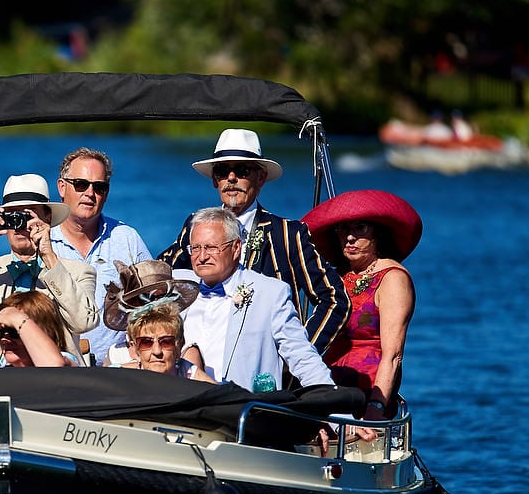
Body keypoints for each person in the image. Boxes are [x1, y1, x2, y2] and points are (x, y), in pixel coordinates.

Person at [157, 128, 348, 357]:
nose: (231, 178)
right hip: (200, 361)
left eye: (242, 170)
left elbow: (335, 299)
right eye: (222, 171)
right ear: (215, 181)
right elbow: (162, 276)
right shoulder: (195, 226)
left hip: (264, 372)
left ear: (261, 178)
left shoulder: (287, 234)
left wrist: (295, 355)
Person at [0, 173, 98, 367]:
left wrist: (48, 257)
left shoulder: (77, 272)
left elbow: (84, 322)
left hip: (54, 384)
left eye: (27, 215)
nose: (19, 225)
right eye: (12, 216)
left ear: (47, 219)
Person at [178, 207, 335, 391]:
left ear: (236, 248)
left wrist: (336, 410)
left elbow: (302, 357)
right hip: (181, 408)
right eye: (196, 248)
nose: (202, 257)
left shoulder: (270, 293)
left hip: (240, 411)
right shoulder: (177, 285)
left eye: (212, 247)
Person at [301, 189, 421, 423]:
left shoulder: (392, 278)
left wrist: (376, 405)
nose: (350, 238)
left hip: (367, 390)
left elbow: (394, 355)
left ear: (377, 234)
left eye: (360, 228)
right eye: (344, 229)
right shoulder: (339, 277)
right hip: (329, 383)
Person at [49, 147, 151, 364]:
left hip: (118, 367)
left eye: (99, 187)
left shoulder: (127, 239)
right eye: (81, 184)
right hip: (58, 366)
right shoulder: (42, 242)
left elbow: (153, 304)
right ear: (61, 187)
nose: (90, 193)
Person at [116, 303, 214, 382]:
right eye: (146, 342)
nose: (157, 351)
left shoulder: (190, 375)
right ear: (134, 348)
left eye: (166, 342)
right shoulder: (117, 378)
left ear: (179, 345)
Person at [0, 291, 75, 367]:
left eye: (13, 331)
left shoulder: (64, 360)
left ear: (46, 331)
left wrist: (19, 320)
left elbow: (55, 370)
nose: (4, 338)